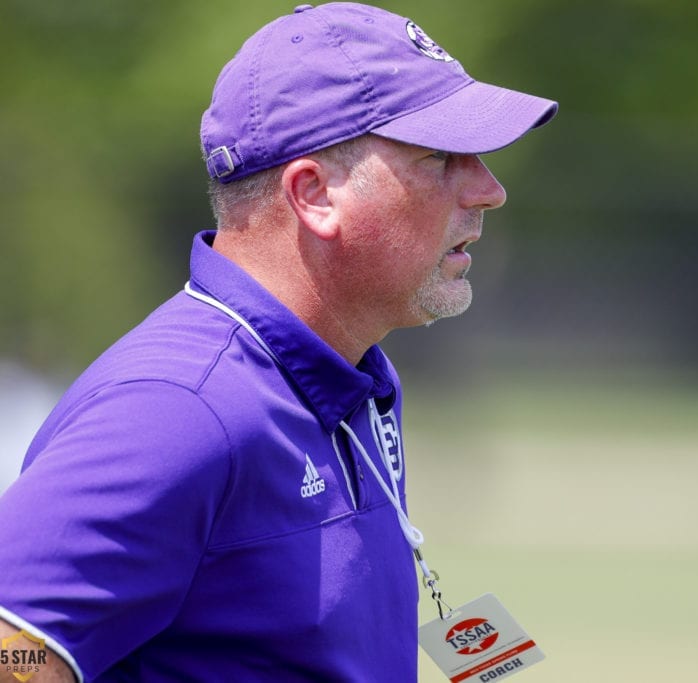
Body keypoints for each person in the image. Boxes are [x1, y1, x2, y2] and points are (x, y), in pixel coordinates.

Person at [0, 3, 556, 681]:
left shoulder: (352, 377)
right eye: (439, 157)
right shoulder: (176, 408)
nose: (489, 189)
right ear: (315, 194)